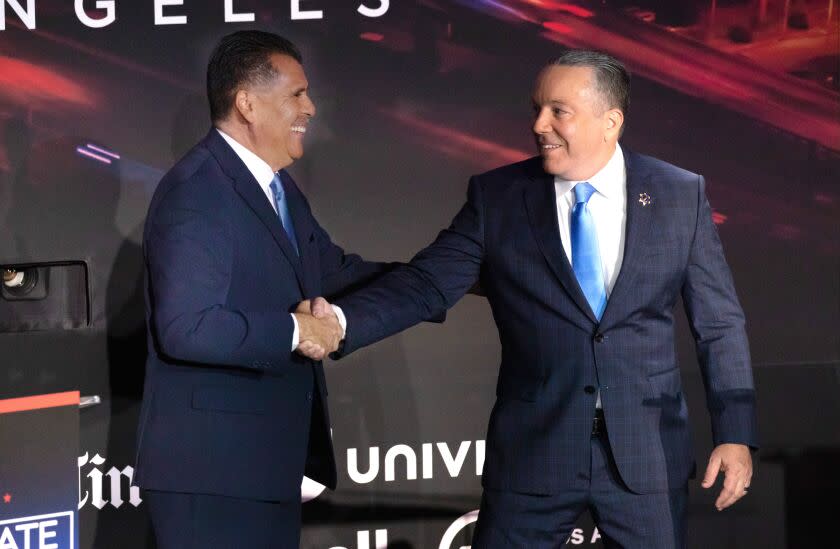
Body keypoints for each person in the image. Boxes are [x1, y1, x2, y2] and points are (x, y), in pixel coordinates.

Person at [301, 50, 757, 548]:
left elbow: (719, 325)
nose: (539, 124)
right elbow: (426, 284)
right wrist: (341, 323)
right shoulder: (498, 198)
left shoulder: (678, 195)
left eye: (559, 111)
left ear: (611, 122)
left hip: (647, 455)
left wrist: (735, 432)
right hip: (535, 454)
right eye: (536, 108)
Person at [134, 30, 387, 547]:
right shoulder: (197, 191)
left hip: (261, 467)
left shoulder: (277, 187)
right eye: (297, 93)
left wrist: (444, 280)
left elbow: (332, 271)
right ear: (247, 103)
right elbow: (187, 328)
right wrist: (297, 330)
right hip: (213, 480)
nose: (311, 108)